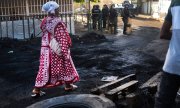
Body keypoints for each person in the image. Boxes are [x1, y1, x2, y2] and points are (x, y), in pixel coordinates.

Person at [31, 1, 80, 98]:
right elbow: (62, 37)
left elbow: (46, 33)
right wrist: (65, 51)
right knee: (65, 64)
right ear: (55, 10)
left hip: (45, 48)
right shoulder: (58, 22)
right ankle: (68, 85)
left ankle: (37, 89)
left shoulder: (45, 20)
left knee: (44, 69)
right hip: (55, 49)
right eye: (58, 9)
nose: (59, 10)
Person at [154, 0, 180, 108]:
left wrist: (176, 37)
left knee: (164, 103)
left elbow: (163, 33)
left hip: (172, 65)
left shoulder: (175, 2)